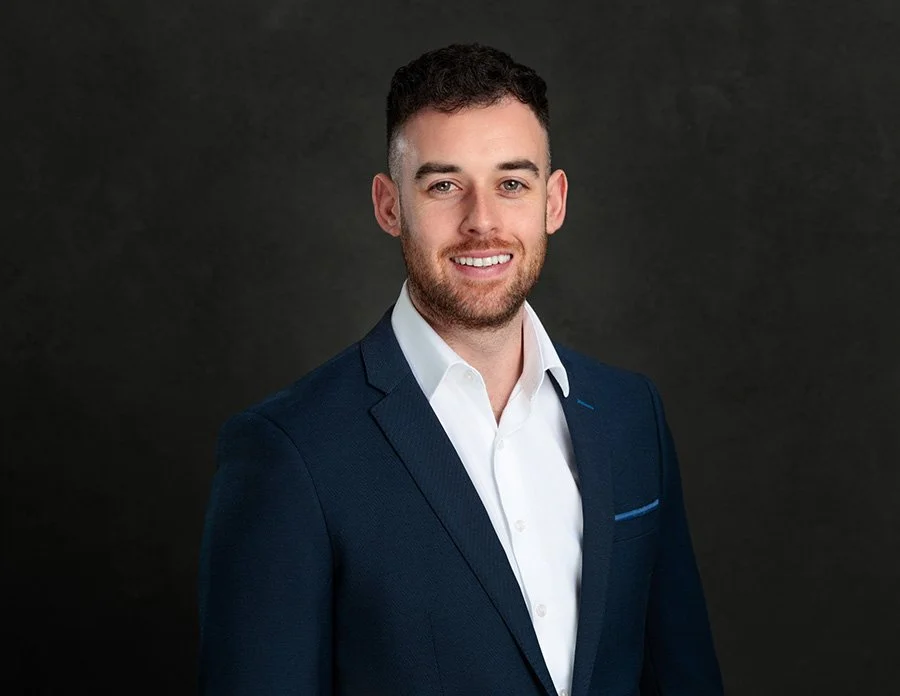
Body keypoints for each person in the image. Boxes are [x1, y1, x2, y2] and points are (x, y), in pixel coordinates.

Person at [198, 43, 724, 696]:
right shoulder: (289, 453)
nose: (482, 222)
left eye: (512, 183)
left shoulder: (629, 415)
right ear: (390, 206)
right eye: (444, 185)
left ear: (553, 202)